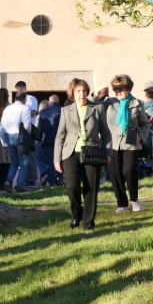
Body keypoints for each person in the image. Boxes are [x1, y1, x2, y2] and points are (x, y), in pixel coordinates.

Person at [54, 79, 112, 230]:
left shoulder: (97, 108)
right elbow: (60, 136)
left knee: (91, 188)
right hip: (70, 153)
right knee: (72, 186)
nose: (82, 94)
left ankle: (88, 222)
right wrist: (56, 159)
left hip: (92, 152)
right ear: (73, 93)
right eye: (78, 91)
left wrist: (108, 152)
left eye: (84, 91)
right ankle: (77, 214)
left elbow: (106, 133)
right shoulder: (66, 110)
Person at [105, 74, 151, 212]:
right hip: (113, 142)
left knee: (129, 171)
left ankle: (134, 199)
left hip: (131, 141)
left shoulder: (137, 103)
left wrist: (140, 137)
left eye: (121, 88)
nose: (118, 91)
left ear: (128, 88)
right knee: (115, 173)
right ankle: (122, 203)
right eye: (115, 89)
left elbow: (146, 124)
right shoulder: (109, 103)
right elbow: (95, 105)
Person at [0, 92, 35, 192]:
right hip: (21, 137)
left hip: (9, 136)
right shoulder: (25, 108)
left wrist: (3, 142)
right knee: (24, 161)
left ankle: (9, 180)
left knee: (14, 162)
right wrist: (29, 136)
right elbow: (27, 125)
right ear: (24, 99)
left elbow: (2, 127)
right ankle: (20, 185)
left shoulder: (7, 109)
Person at [37, 96, 63, 186]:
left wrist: (39, 139)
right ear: (58, 102)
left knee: (50, 162)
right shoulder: (62, 110)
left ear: (49, 102)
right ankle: (60, 178)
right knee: (60, 160)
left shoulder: (42, 112)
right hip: (60, 140)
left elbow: (40, 128)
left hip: (48, 140)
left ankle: (52, 182)